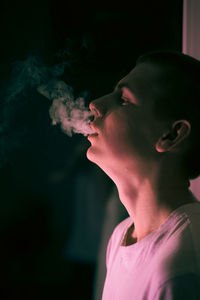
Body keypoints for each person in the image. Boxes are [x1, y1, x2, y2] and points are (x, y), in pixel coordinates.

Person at [86, 50, 200, 299]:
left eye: (124, 99)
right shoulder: (121, 236)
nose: (96, 104)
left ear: (171, 135)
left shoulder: (182, 263)